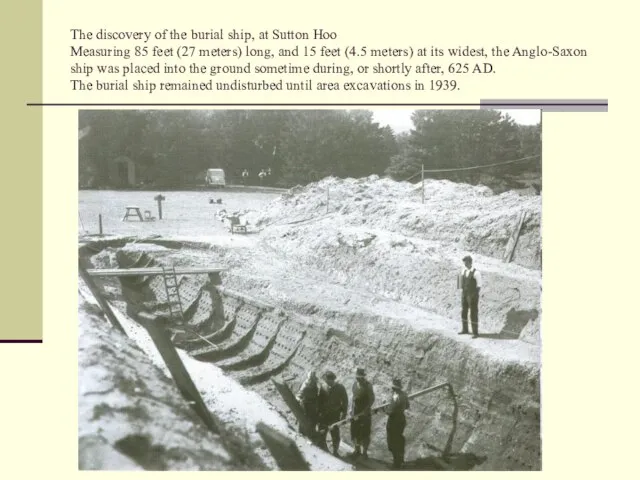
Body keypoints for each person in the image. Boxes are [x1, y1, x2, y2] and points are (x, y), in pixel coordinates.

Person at [318, 371, 349, 456]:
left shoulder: (340, 388)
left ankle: (335, 451)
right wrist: (319, 412)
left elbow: (345, 401)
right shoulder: (323, 387)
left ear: (332, 379)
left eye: (328, 380)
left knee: (335, 433)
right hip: (324, 414)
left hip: (334, 414)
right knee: (322, 431)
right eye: (326, 381)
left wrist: (344, 413)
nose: (326, 382)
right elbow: (320, 400)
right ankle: (321, 447)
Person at [350, 367, 375, 459]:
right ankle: (357, 450)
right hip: (355, 412)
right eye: (357, 377)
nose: (358, 379)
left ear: (363, 377)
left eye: (360, 377)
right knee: (355, 431)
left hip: (365, 414)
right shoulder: (355, 385)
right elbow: (353, 398)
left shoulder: (368, 386)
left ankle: (364, 452)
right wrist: (351, 410)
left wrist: (366, 409)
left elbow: (372, 399)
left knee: (365, 433)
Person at [385, 378, 410, 470]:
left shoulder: (396, 397)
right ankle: (401, 461)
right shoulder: (404, 394)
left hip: (394, 420)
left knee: (392, 441)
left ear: (394, 388)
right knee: (399, 440)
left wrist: (385, 410)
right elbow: (407, 406)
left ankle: (396, 464)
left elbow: (390, 412)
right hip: (401, 419)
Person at [458, 255, 482, 338]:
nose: (465, 264)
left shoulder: (476, 273)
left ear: (470, 262)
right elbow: (460, 283)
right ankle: (465, 329)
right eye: (464, 262)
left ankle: (475, 333)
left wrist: (474, 295)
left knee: (473, 314)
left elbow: (479, 286)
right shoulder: (463, 271)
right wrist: (463, 292)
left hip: (472, 296)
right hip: (464, 295)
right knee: (464, 312)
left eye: (467, 262)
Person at [296, 371, 320, 435]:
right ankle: (302, 434)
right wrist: (301, 401)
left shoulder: (315, 385)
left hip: (313, 405)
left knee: (313, 420)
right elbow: (298, 395)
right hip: (306, 406)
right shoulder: (305, 386)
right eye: (312, 379)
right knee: (304, 420)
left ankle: (311, 434)